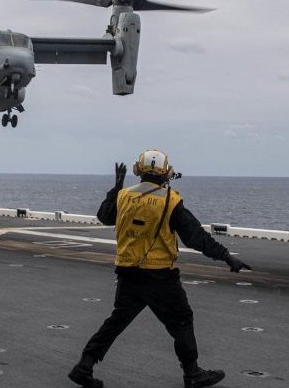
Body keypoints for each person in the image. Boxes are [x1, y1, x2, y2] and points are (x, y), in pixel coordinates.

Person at [68, 149, 252, 388]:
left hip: (128, 273)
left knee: (116, 322)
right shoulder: (170, 200)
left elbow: (104, 216)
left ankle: (84, 366)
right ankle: (192, 374)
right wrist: (226, 256)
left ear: (139, 170)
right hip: (160, 276)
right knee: (182, 320)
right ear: (166, 172)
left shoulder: (124, 196)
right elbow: (195, 237)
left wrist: (117, 186)